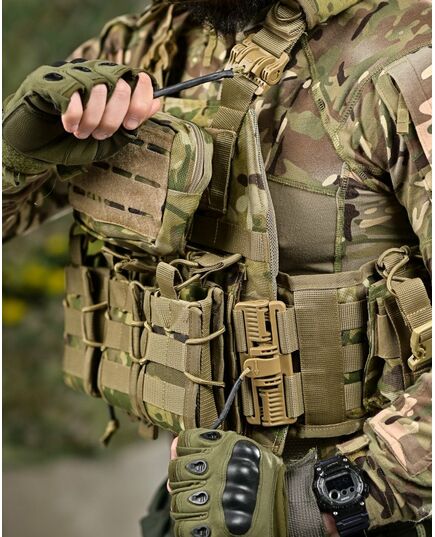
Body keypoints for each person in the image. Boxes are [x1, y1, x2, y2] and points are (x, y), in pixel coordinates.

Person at [3, 1, 432, 536]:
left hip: (352, 509)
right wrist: (12, 153)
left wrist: (309, 504)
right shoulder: (158, 40)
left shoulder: (409, 58)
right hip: (198, 496)